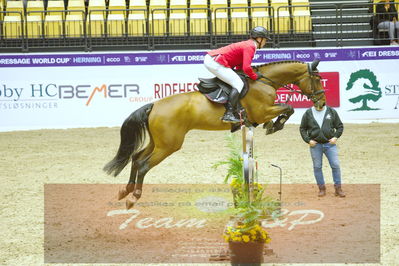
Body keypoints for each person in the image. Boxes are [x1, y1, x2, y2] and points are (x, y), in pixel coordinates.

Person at [203, 26, 271, 123]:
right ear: (259, 39)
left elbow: (240, 66)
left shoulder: (249, 44)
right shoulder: (250, 46)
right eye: (265, 40)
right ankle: (229, 114)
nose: (265, 42)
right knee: (238, 84)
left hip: (213, 60)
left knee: (237, 80)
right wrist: (255, 76)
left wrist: (249, 74)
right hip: (214, 61)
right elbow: (246, 68)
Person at [299, 103, 345, 197]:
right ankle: (321, 189)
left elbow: (340, 126)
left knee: (335, 165)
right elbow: (302, 128)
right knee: (317, 167)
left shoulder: (331, 111)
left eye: (321, 107)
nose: (319, 109)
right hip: (315, 145)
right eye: (317, 107)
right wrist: (308, 140)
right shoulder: (308, 113)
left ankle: (338, 188)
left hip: (330, 144)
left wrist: (335, 137)